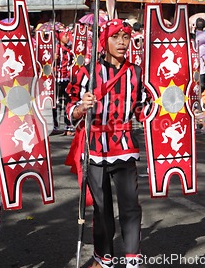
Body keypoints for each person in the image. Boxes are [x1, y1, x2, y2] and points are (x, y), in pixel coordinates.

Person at [65, 19, 142, 268]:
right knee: (101, 208)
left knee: (130, 206)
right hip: (95, 145)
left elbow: (143, 108)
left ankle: (132, 258)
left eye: (126, 37)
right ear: (104, 40)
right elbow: (69, 106)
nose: (121, 42)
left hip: (125, 146)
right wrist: (80, 108)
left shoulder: (137, 72)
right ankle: (104, 257)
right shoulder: (87, 72)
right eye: (115, 37)